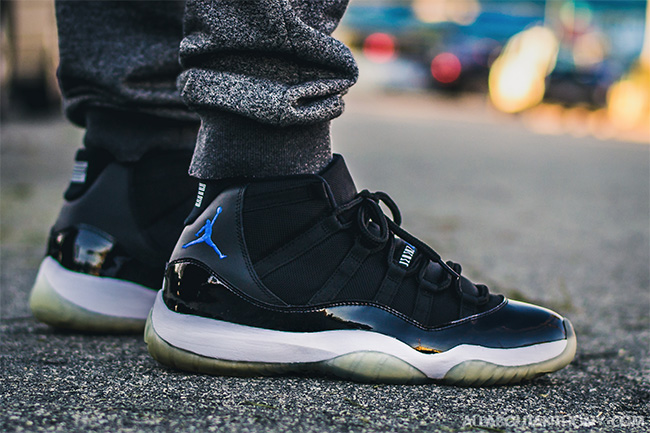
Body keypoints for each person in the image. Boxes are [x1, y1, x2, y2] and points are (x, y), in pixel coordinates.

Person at [29, 0, 576, 386]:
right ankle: (274, 214)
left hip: (121, 141)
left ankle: (136, 177)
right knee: (263, 151)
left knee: (145, 117)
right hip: (262, 203)